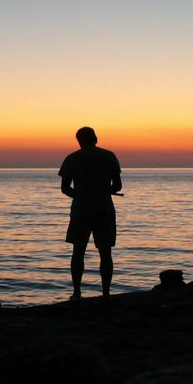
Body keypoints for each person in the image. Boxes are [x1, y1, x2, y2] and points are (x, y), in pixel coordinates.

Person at [59, 126, 121, 300]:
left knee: (78, 251)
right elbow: (117, 186)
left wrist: (80, 194)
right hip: (104, 209)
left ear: (79, 141)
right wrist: (103, 191)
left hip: (81, 209)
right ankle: (106, 292)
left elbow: (65, 188)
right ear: (96, 138)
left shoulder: (71, 159)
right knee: (105, 252)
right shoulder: (109, 156)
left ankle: (77, 292)